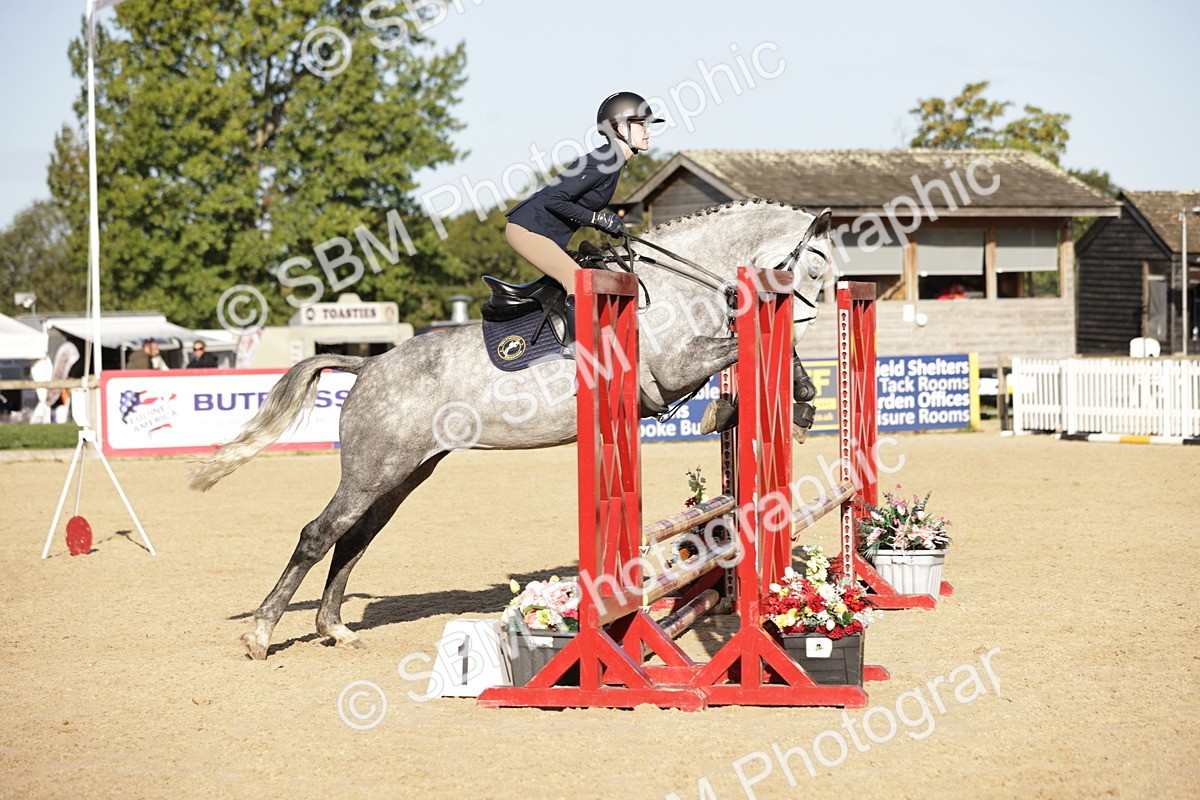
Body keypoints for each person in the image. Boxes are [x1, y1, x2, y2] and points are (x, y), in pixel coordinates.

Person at [505, 91, 663, 325]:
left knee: (596, 270)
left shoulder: (613, 161)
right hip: (527, 231)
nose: (648, 132)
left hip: (543, 235)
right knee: (579, 283)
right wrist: (597, 219)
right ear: (620, 128)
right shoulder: (604, 160)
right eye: (641, 125)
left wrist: (605, 220)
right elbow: (554, 200)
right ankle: (579, 354)